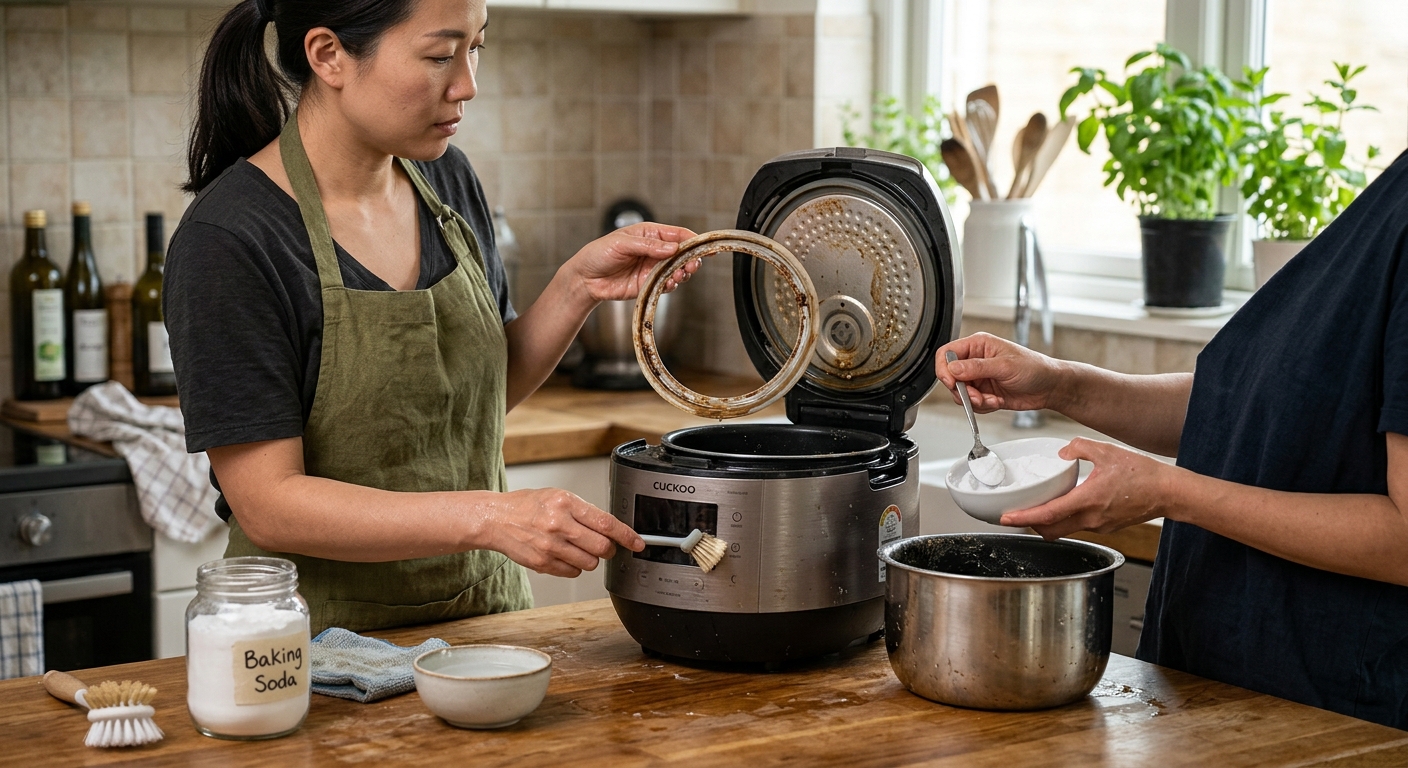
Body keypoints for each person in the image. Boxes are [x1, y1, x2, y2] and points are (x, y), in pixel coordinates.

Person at [165, 0, 699, 634]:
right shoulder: (231, 238)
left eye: (476, 48)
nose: (468, 84)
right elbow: (270, 504)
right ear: (328, 55)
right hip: (314, 650)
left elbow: (474, 392)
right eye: (441, 55)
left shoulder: (447, 180)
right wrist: (493, 518)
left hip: (484, 628)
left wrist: (577, 285)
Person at [934, 149, 1408, 728]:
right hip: (1224, 693)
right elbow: (1248, 410)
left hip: (1326, 717)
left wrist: (1170, 493)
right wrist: (1061, 385)